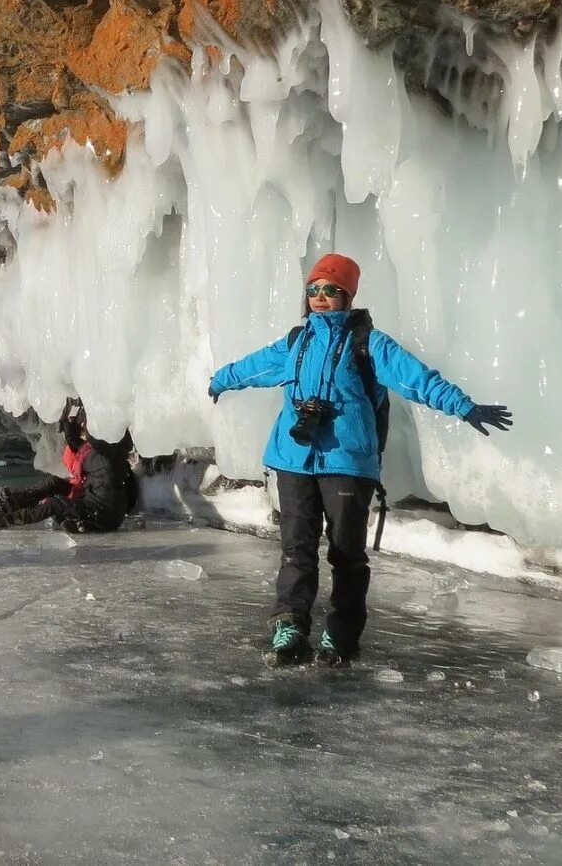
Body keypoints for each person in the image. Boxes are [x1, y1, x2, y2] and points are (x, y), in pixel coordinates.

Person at [208, 253, 513, 669]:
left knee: (346, 553)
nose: (319, 297)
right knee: (296, 549)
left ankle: (340, 635)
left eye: (329, 290)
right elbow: (254, 366)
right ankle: (290, 627)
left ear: (347, 295)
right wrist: (221, 379)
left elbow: (416, 378)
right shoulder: (296, 342)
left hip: (347, 462)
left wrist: (463, 406)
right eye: (313, 289)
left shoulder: (369, 343)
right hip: (293, 459)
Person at [0, 398, 135, 533]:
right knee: (55, 483)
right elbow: (74, 440)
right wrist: (73, 409)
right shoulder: (98, 454)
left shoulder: (103, 455)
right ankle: (14, 500)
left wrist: (85, 408)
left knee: (55, 503)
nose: (83, 428)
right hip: (95, 502)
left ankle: (8, 520)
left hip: (102, 511)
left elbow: (86, 438)